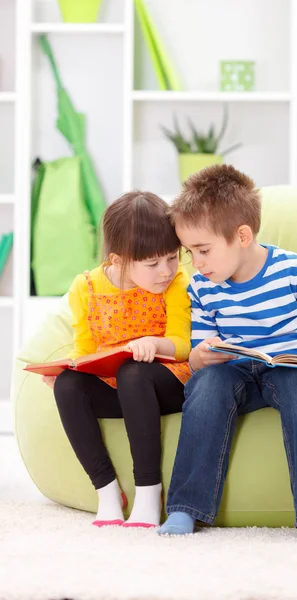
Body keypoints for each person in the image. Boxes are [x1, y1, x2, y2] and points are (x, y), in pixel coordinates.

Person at [159, 165, 297, 543]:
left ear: (242, 236)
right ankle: (186, 508)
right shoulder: (203, 286)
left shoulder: (293, 272)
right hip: (235, 371)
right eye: (190, 253)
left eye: (203, 251)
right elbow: (204, 344)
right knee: (206, 387)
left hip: (289, 369)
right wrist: (200, 358)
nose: (196, 263)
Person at [43, 192, 192, 528]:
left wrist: (154, 344)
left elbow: (182, 344)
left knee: (134, 372)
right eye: (153, 264)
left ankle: (149, 491)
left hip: (167, 383)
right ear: (118, 260)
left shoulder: (176, 282)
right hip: (117, 388)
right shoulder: (86, 287)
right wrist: (69, 366)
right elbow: (84, 346)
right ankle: (107, 491)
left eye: (172, 257)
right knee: (68, 385)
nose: (167, 270)